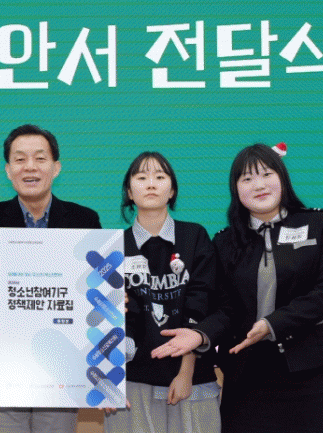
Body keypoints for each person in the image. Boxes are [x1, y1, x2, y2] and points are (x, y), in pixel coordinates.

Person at [153, 143, 323, 433]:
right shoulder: (225, 242)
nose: (259, 185)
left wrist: (272, 324)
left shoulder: (318, 223)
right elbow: (226, 309)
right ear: (236, 189)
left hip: (309, 370)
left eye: (267, 174)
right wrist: (200, 334)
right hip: (246, 373)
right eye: (247, 178)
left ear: (282, 178)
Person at [0, 124, 101, 432]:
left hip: (63, 364)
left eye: (40, 158)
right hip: (4, 359)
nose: (30, 167)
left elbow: (92, 285)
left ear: (56, 167)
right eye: (20, 159)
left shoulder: (84, 219)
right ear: (8, 170)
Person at [104, 151, 221, 433]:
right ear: (129, 192)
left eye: (160, 176)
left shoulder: (195, 237)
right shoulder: (112, 246)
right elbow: (109, 320)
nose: (151, 184)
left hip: (191, 378)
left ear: (172, 191)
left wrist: (186, 371)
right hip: (131, 382)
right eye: (141, 177)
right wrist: (107, 379)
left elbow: (201, 304)